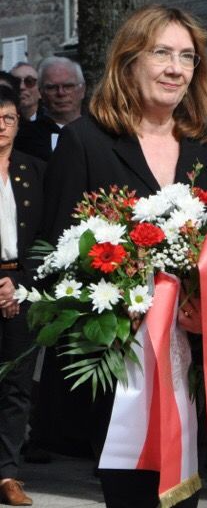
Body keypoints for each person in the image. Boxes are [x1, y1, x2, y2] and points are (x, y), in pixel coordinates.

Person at [40, 4, 207, 508]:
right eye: (162, 53)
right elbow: (54, 255)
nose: (176, 68)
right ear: (129, 61)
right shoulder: (85, 141)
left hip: (196, 363)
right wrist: (116, 303)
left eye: (187, 57)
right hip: (118, 372)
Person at [0, 85, 46, 507]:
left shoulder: (34, 171)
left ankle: (8, 474)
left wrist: (22, 283)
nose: (1, 126)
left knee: (16, 385)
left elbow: (48, 237)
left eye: (8, 118)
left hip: (23, 282)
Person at [15, 56, 86, 161]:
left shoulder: (99, 132)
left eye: (68, 86)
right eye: (52, 87)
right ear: (41, 93)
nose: (61, 93)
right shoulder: (24, 137)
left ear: (82, 90)